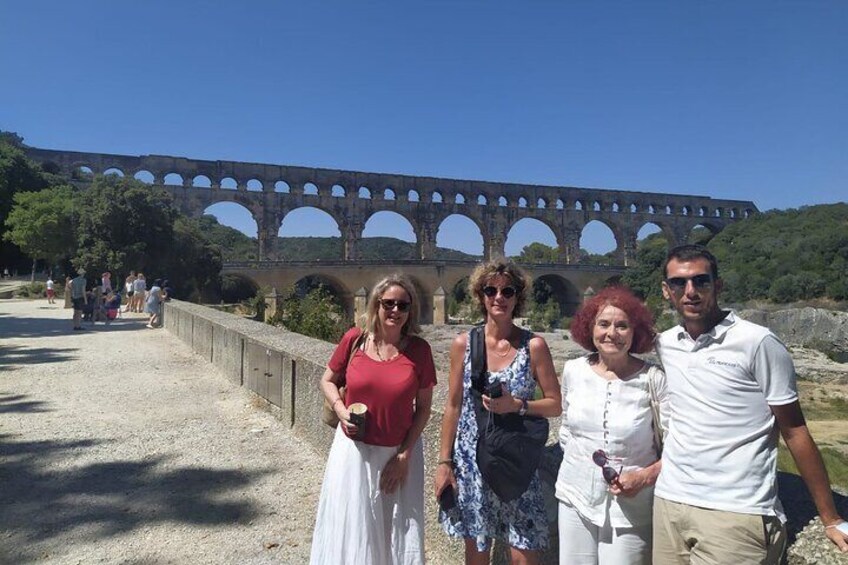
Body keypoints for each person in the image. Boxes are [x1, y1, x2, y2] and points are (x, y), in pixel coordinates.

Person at [653, 244, 848, 563]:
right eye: (679, 283)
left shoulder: (757, 342)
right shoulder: (666, 343)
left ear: (718, 285)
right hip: (669, 503)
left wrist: (830, 517)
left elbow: (795, 430)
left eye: (701, 281)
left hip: (736, 513)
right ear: (666, 290)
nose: (690, 291)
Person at [436, 259, 562, 565]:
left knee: (523, 555)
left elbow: (555, 404)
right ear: (480, 296)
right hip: (472, 462)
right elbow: (453, 406)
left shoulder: (534, 346)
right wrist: (444, 463)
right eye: (490, 290)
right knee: (476, 554)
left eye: (508, 291)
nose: (499, 297)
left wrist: (517, 405)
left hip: (516, 463)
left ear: (518, 297)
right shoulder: (463, 345)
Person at [310, 274, 436, 565]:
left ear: (411, 310)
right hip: (353, 450)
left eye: (402, 305)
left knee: (394, 528)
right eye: (388, 303)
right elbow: (327, 380)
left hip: (397, 452)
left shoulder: (420, 351)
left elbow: (425, 408)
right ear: (375, 305)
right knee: (351, 523)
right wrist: (341, 410)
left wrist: (404, 457)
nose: (395, 310)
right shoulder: (354, 339)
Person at [555, 286, 667, 565]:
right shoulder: (573, 371)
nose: (612, 333)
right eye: (603, 324)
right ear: (590, 329)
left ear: (635, 332)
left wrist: (644, 477)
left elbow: (678, 445)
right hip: (575, 494)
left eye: (622, 326)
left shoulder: (653, 379)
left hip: (631, 503)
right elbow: (567, 428)